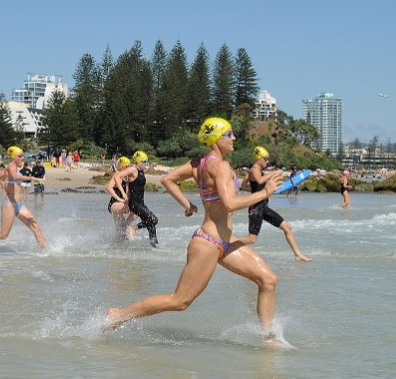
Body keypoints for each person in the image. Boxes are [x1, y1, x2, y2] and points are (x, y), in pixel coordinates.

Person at [104, 117, 290, 347]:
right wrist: (265, 192)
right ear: (216, 138)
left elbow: (168, 179)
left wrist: (188, 205)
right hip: (209, 242)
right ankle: (119, 315)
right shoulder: (219, 165)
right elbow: (230, 203)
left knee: (268, 279)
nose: (234, 138)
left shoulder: (198, 164)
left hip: (223, 242)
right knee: (180, 301)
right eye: (229, 134)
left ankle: (269, 338)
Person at [240, 146, 311, 262]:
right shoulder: (254, 170)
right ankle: (226, 243)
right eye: (265, 159)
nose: (267, 162)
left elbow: (243, 185)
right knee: (252, 239)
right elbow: (259, 181)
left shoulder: (254, 171)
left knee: (287, 227)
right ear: (259, 158)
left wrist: (254, 191)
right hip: (256, 207)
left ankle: (298, 254)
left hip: (264, 206)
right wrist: (274, 174)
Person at [0, 146, 46, 249]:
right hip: (9, 205)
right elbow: (15, 177)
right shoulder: (11, 166)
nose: (22, 158)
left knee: (35, 226)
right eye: (20, 156)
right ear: (13, 157)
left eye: (23, 156)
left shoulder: (12, 168)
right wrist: (32, 178)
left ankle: (46, 251)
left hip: (19, 204)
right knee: (3, 235)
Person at [118, 151, 158, 248]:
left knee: (151, 225)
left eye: (147, 162)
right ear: (138, 161)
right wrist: (123, 194)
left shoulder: (140, 171)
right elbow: (118, 176)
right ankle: (133, 228)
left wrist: (151, 166)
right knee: (154, 219)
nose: (146, 164)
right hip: (135, 203)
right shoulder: (133, 169)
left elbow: (141, 174)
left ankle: (154, 246)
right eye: (144, 162)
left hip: (141, 203)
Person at [105, 156, 134, 240]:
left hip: (121, 203)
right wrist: (119, 198)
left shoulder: (127, 177)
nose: (129, 168)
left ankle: (118, 249)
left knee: (121, 234)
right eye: (127, 166)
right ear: (121, 166)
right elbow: (108, 188)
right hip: (114, 204)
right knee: (133, 209)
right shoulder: (117, 175)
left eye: (129, 166)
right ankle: (126, 226)